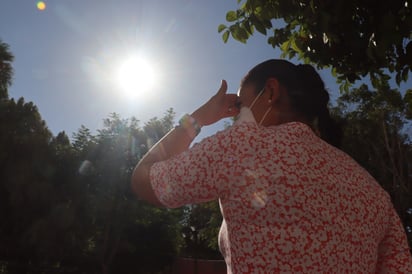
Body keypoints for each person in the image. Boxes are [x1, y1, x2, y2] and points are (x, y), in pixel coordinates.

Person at [131, 59, 412, 273]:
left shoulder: (242, 146)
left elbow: (144, 181)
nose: (236, 117)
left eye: (241, 104)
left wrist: (199, 118)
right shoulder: (372, 191)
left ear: (271, 92)